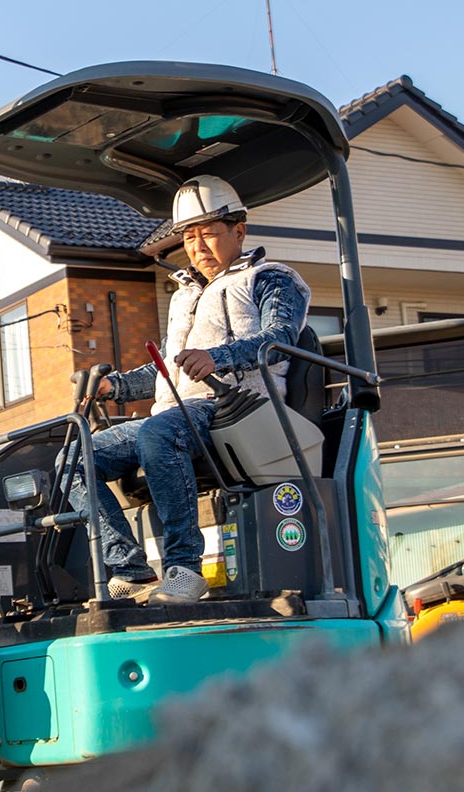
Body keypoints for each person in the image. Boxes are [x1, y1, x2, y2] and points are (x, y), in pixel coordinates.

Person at [71, 175, 311, 605]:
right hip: (177, 412)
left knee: (157, 434)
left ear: (239, 231)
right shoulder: (185, 296)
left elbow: (282, 339)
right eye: (190, 237)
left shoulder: (271, 279)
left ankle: (184, 568)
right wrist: (115, 386)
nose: (198, 247)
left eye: (209, 234)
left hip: (239, 407)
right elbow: (167, 369)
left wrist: (218, 358)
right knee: (73, 459)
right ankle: (131, 566)